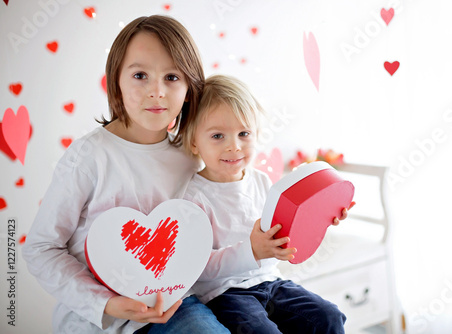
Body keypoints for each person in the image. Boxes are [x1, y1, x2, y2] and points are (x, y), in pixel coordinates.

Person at [22, 15, 230, 334]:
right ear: (116, 81)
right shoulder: (89, 156)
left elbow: (213, 223)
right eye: (140, 75)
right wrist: (104, 303)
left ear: (190, 89)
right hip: (101, 320)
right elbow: (41, 248)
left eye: (172, 77)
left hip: (174, 304)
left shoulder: (189, 158)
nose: (156, 91)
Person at [182, 74, 351, 334]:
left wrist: (324, 216)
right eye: (218, 136)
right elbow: (198, 267)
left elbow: (284, 231)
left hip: (271, 282)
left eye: (244, 133)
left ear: (257, 135)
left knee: (328, 317)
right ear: (194, 142)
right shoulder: (193, 196)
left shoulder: (261, 181)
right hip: (225, 292)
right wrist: (252, 251)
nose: (234, 146)